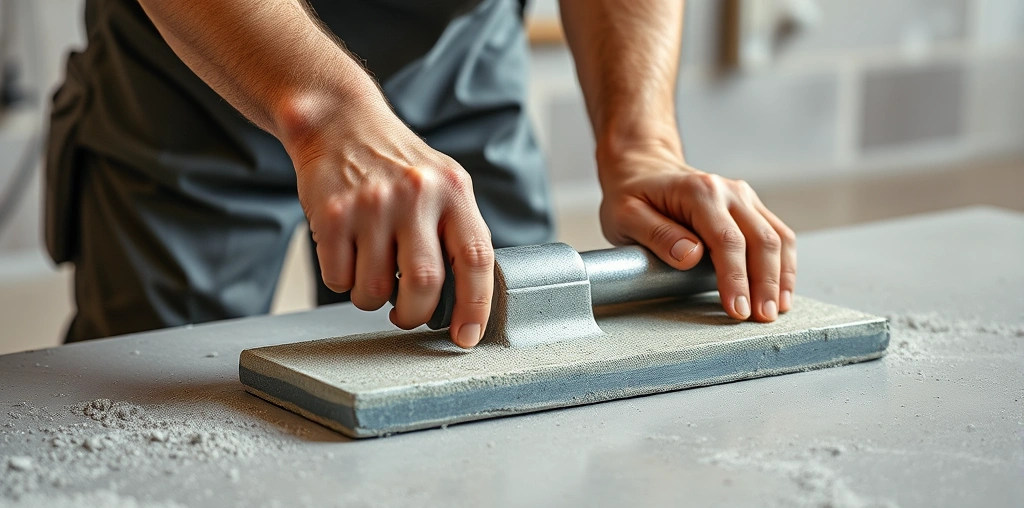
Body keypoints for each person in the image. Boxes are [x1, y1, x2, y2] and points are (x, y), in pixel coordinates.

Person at [45, 0, 796, 349]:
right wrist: (328, 112)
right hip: (201, 55)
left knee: (510, 353)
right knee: (157, 395)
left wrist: (641, 143)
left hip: (455, 51)